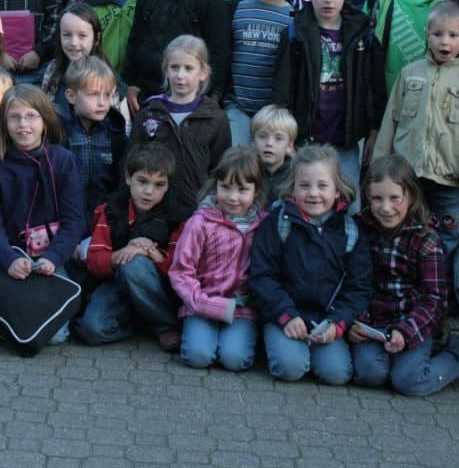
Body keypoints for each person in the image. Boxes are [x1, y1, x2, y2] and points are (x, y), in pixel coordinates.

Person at [373, 1, 459, 256]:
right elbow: (390, 121)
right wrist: (379, 165)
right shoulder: (410, 74)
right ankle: (401, 276)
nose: (444, 42)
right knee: (403, 227)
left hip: (448, 177)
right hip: (408, 175)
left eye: (453, 35)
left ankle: (438, 283)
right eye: (438, 34)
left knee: (449, 233)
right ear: (427, 33)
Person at [351, 154, 459, 396]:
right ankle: (397, 357)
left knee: (408, 381)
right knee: (369, 374)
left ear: (411, 196)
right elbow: (354, 281)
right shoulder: (360, 227)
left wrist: (406, 332)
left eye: (394, 198)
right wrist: (357, 322)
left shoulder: (426, 240)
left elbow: (435, 299)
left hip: (415, 322)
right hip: (374, 322)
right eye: (377, 199)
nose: (385, 208)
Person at [251, 144, 373, 385]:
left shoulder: (350, 231)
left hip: (325, 321)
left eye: (322, 186)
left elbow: (359, 287)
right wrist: (285, 315)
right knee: (290, 368)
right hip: (284, 315)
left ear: (337, 190)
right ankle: (273, 343)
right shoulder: (278, 222)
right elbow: (262, 276)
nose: (313, 193)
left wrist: (338, 324)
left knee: (336, 375)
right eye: (304, 185)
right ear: (292, 189)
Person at [0, 86, 86, 345]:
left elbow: (74, 220)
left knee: (56, 336)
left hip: (50, 258)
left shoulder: (63, 160)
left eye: (31, 116)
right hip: (11, 256)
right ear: (4, 123)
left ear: (45, 120)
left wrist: (54, 258)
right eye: (14, 117)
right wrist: (8, 258)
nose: (23, 124)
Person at [272, 0, 385, 204]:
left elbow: (375, 88)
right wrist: (284, 134)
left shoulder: (363, 34)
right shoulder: (295, 33)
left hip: (345, 139)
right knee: (299, 201)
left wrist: (374, 130)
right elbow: (282, 87)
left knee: (350, 204)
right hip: (305, 139)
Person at [73, 142, 182, 350]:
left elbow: (179, 269)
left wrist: (150, 252)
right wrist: (120, 254)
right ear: (128, 178)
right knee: (91, 330)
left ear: (168, 186)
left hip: (158, 289)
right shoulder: (110, 209)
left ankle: (166, 326)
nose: (148, 191)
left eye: (159, 185)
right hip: (115, 285)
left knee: (135, 264)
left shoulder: (177, 216)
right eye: (142, 181)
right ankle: (140, 324)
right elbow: (95, 260)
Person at [168, 146, 267, 371]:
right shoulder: (200, 222)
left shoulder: (264, 225)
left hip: (243, 310)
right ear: (216, 185)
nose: (232, 197)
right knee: (198, 356)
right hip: (201, 304)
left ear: (256, 192)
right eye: (225, 187)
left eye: (242, 190)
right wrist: (202, 302)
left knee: (234, 359)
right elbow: (181, 271)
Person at [128, 35, 231, 225]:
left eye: (188, 68)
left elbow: (219, 170)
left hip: (197, 212)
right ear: (165, 70)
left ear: (203, 73)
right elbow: (130, 163)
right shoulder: (149, 113)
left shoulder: (216, 118)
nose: (180, 75)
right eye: (174, 67)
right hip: (153, 213)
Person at [223, 0, 297, 144]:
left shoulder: (294, 19)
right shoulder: (236, 9)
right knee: (237, 161)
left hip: (274, 113)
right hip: (237, 106)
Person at [62, 56, 128, 212]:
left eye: (107, 95)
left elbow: (120, 181)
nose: (102, 102)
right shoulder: (60, 132)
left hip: (105, 215)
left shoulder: (115, 133)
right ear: (71, 96)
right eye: (93, 94)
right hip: (68, 214)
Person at [251, 105, 298, 204]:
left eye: (278, 138)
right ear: (253, 141)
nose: (269, 143)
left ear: (289, 145)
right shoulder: (246, 170)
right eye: (262, 136)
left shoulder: (296, 176)